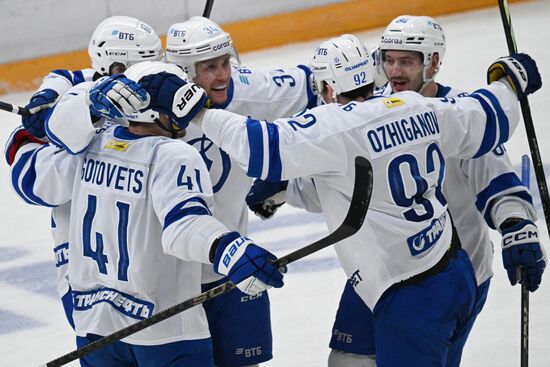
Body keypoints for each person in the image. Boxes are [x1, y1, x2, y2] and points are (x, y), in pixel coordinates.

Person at [143, 35, 543, 365]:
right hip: (454, 268)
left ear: (328, 88)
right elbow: (488, 116)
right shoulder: (420, 105)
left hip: (408, 293)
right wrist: (509, 80)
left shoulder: (332, 128)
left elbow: (257, 145)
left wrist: (195, 111)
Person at [6, 61, 285, 366]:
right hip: (164, 332)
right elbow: (183, 226)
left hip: (95, 329)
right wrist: (228, 249)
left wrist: (39, 126)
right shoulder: (173, 155)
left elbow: (31, 177)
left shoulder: (88, 145)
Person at [163, 16, 318, 367]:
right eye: (209, 68)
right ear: (185, 72)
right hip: (171, 281)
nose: (222, 76)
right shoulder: (148, 109)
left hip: (234, 267)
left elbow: (325, 79)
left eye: (224, 64)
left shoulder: (252, 89)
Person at [14, 15, 163, 329]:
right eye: (140, 69)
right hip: (87, 274)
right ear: (116, 69)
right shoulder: (70, 100)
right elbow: (30, 182)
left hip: (150, 259)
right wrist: (75, 123)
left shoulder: (140, 94)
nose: (150, 78)